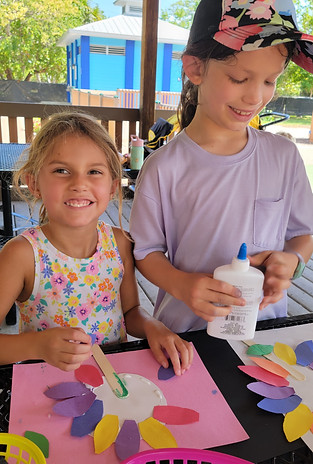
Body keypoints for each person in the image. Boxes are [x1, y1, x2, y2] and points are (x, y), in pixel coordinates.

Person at [129, 0, 313, 333]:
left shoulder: (284, 157)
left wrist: (293, 262)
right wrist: (182, 284)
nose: (255, 97)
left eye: (270, 81)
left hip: (266, 331)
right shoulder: (163, 168)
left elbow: (303, 234)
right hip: (186, 337)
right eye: (240, 78)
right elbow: (146, 251)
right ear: (195, 68)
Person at [0, 112, 193, 375]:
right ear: (34, 184)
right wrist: (37, 346)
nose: (79, 183)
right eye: (61, 171)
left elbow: (132, 311)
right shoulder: (21, 255)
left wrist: (152, 326)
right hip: (47, 388)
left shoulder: (119, 243)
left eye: (94, 171)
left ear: (112, 187)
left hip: (113, 382)